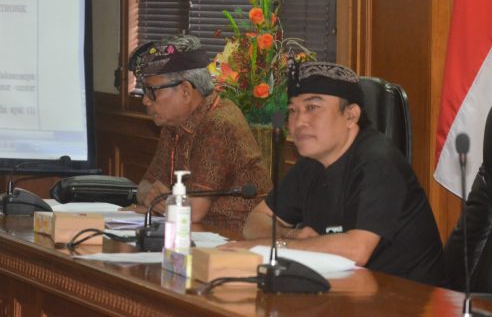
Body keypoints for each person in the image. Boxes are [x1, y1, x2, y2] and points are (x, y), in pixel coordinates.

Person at [223, 61, 444, 285]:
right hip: (346, 288)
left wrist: (273, 245)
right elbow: (255, 221)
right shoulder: (312, 162)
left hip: (405, 296)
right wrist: (291, 235)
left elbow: (357, 250)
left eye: (312, 107)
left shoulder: (379, 161)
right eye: (293, 110)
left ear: (351, 115)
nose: (299, 121)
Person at [128, 35, 272, 231]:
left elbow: (193, 211)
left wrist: (163, 199)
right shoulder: (173, 123)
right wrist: (159, 197)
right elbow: (145, 186)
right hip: (196, 232)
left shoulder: (219, 123)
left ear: (186, 91)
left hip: (235, 237)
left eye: (152, 91)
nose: (145, 100)